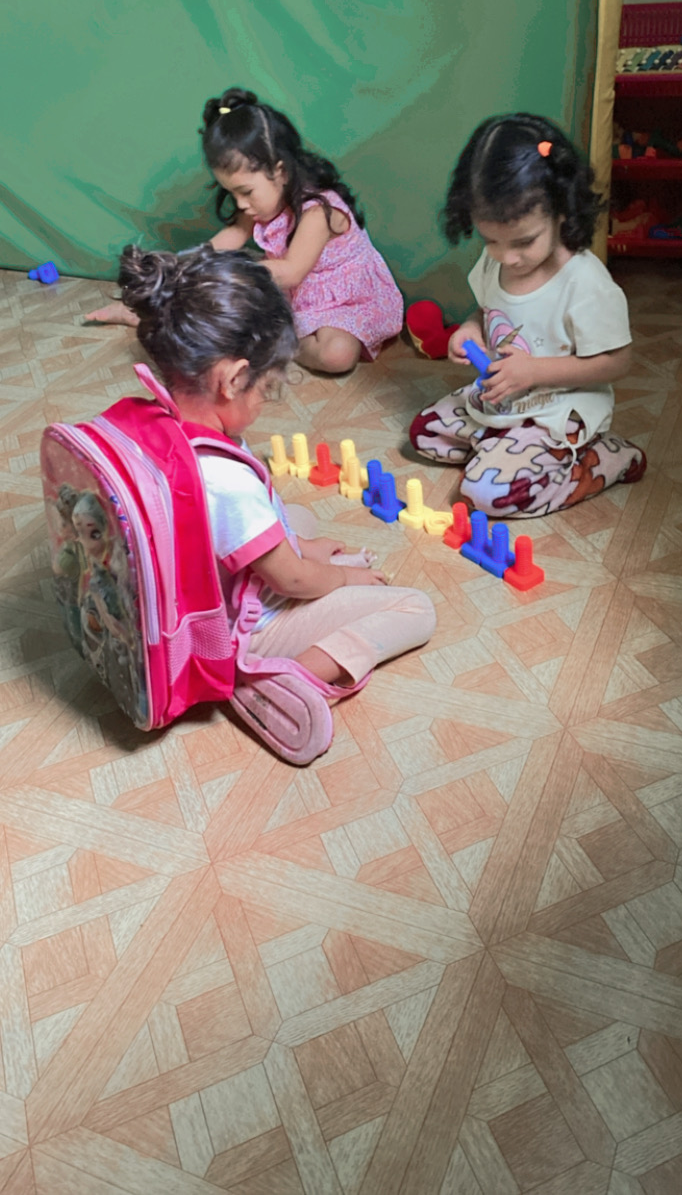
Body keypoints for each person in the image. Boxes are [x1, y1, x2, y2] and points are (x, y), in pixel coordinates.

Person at [117, 242, 435, 759]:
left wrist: (301, 545)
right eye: (265, 389)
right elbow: (292, 581)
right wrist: (341, 578)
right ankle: (280, 677)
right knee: (415, 608)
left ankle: (288, 579)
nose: (265, 401)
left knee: (297, 517)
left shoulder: (160, 419)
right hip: (242, 627)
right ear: (232, 379)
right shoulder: (226, 480)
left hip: (196, 586)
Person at [409, 114, 647, 517]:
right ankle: (505, 449)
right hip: (506, 399)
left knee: (487, 495)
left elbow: (618, 362)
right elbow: (488, 307)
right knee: (423, 433)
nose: (507, 257)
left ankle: (603, 458)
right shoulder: (497, 260)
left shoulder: (585, 283)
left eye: (524, 241)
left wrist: (534, 372)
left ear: (562, 211)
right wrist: (470, 328)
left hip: (557, 406)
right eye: (491, 240)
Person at [91, 90, 404, 374]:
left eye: (246, 192)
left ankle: (274, 339)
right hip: (290, 296)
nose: (241, 203)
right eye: (232, 193)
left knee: (336, 355)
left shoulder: (319, 210)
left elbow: (292, 271)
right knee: (210, 295)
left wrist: (231, 272)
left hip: (343, 302)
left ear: (280, 171)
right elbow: (231, 237)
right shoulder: (260, 203)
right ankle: (145, 313)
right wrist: (181, 267)